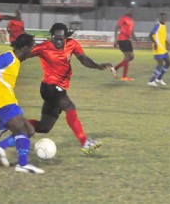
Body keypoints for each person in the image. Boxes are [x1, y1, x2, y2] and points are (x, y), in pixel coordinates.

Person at [28, 23, 112, 154]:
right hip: (49, 87)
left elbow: (84, 60)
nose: (59, 41)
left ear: (66, 37)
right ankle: (85, 142)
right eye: (56, 38)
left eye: (62, 38)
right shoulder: (43, 47)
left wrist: (97, 66)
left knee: (44, 127)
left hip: (59, 88)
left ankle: (14, 124)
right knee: (69, 106)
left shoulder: (72, 44)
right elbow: (22, 54)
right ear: (51, 36)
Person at [0, 33, 44, 174]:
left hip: (9, 100)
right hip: (1, 100)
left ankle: (0, 146)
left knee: (29, 130)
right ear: (24, 47)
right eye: (31, 48)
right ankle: (22, 164)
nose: (32, 51)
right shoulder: (8, 57)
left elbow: (31, 54)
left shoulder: (16, 59)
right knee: (21, 131)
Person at [147, 13, 170, 87]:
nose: (164, 19)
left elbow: (161, 36)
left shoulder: (164, 25)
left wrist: (166, 42)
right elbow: (150, 35)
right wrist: (154, 43)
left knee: (168, 63)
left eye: (165, 17)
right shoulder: (157, 25)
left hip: (163, 48)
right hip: (158, 48)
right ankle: (151, 81)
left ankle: (159, 78)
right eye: (162, 17)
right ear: (159, 18)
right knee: (160, 63)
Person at [112, 6, 136, 81]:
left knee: (131, 57)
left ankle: (115, 68)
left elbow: (131, 31)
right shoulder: (123, 18)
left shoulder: (132, 20)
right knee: (127, 57)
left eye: (132, 10)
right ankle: (124, 76)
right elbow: (116, 28)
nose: (130, 11)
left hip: (127, 40)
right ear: (126, 10)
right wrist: (116, 39)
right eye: (129, 10)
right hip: (122, 40)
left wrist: (135, 38)